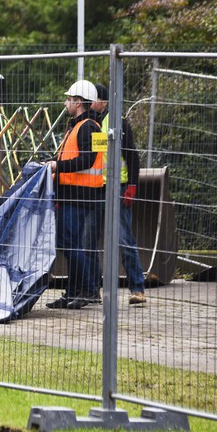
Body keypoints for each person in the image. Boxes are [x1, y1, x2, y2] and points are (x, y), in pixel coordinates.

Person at [46, 80, 104, 310]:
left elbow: (88, 160)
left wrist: (56, 167)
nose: (66, 103)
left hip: (80, 195)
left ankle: (88, 288)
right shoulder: (78, 126)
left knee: (69, 243)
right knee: (69, 243)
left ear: (78, 102)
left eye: (69, 99)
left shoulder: (88, 127)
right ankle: (72, 292)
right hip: (73, 194)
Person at [91, 83, 147, 305]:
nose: (90, 103)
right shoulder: (90, 123)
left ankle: (138, 289)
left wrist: (132, 184)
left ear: (103, 101)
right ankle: (92, 288)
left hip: (118, 187)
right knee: (91, 239)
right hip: (95, 189)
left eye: (93, 99)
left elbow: (132, 154)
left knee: (124, 239)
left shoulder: (117, 122)